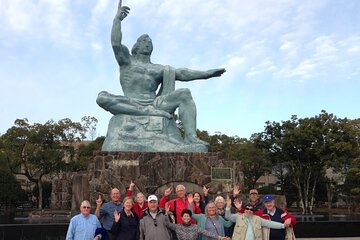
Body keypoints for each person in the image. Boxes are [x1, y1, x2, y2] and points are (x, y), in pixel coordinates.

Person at [96, 1, 226, 145]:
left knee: (185, 94)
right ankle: (145, 112)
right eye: (144, 40)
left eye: (150, 41)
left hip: (155, 104)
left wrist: (206, 74)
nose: (147, 42)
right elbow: (116, 44)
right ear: (136, 46)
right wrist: (117, 20)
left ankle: (190, 137)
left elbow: (182, 73)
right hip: (130, 102)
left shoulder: (158, 68)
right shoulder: (127, 61)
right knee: (102, 98)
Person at [225, 198, 291, 240]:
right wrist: (228, 206)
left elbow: (270, 223)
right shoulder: (238, 217)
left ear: (253, 211)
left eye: (251, 209)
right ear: (244, 209)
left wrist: (283, 226)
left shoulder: (257, 219)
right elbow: (228, 216)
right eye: (247, 208)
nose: (249, 210)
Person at [165, 209, 230, 240]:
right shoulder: (177, 227)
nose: (186, 218)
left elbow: (207, 233)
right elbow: (167, 224)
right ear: (182, 217)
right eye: (185, 216)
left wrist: (220, 237)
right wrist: (166, 214)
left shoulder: (195, 227)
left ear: (190, 218)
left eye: (188, 216)